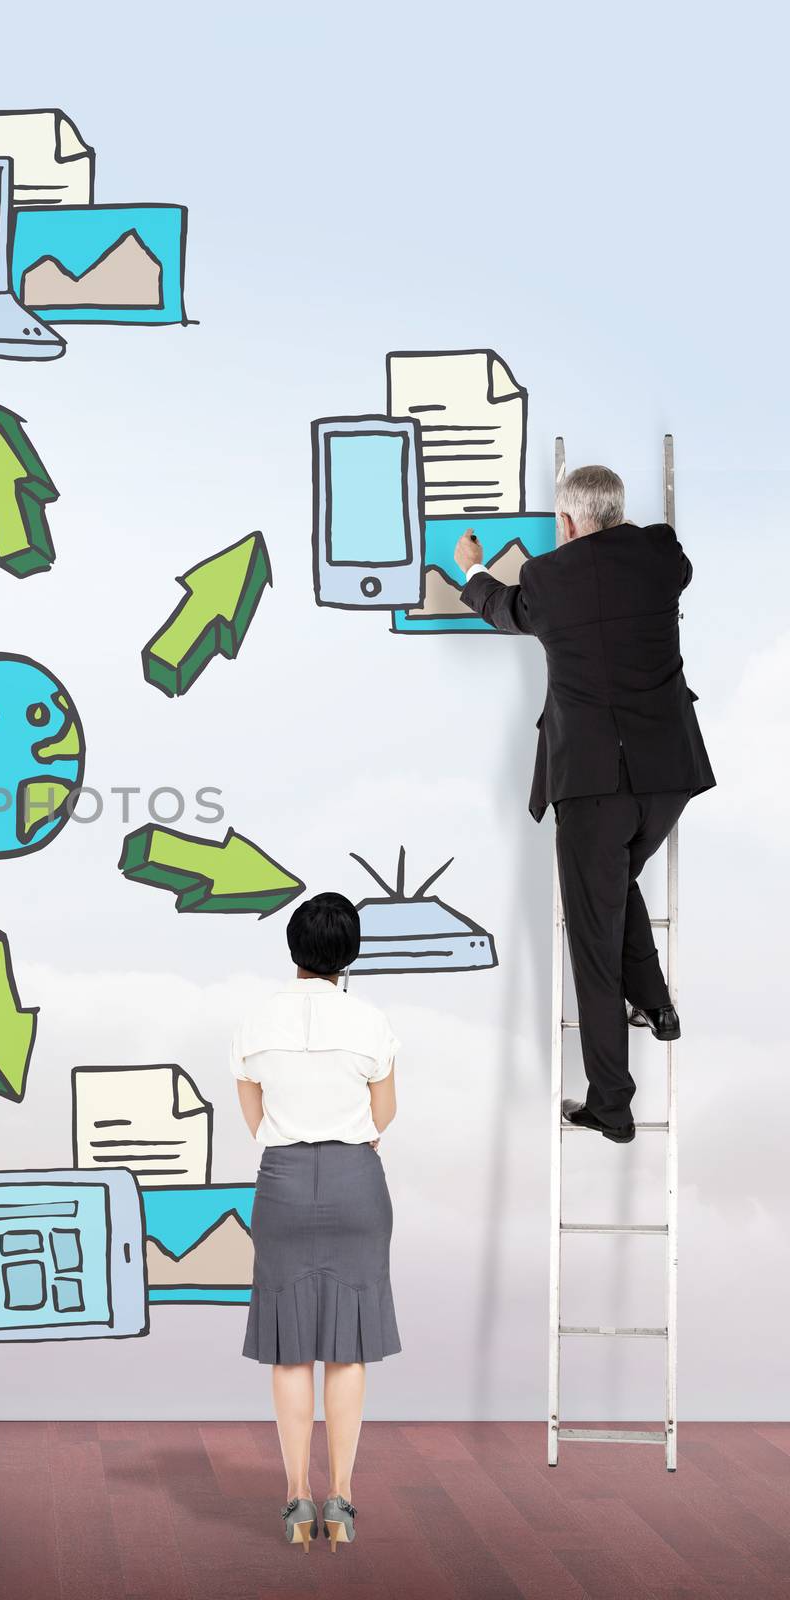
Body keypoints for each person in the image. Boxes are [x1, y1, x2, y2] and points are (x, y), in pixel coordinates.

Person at [456, 465, 713, 1142]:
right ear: (619, 514)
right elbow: (670, 566)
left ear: (566, 524)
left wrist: (473, 569)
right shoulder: (661, 557)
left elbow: (499, 609)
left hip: (593, 784)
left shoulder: (545, 580)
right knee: (612, 887)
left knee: (594, 939)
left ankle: (612, 1105)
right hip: (666, 776)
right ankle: (656, 1006)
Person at [230, 892, 399, 1553]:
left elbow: (252, 1113)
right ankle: (343, 1498)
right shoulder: (370, 1021)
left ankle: (298, 1497)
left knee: (290, 1345)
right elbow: (383, 1113)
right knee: (348, 1346)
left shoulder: (255, 1022)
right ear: (350, 954)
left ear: (294, 950)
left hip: (283, 1182)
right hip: (358, 1180)